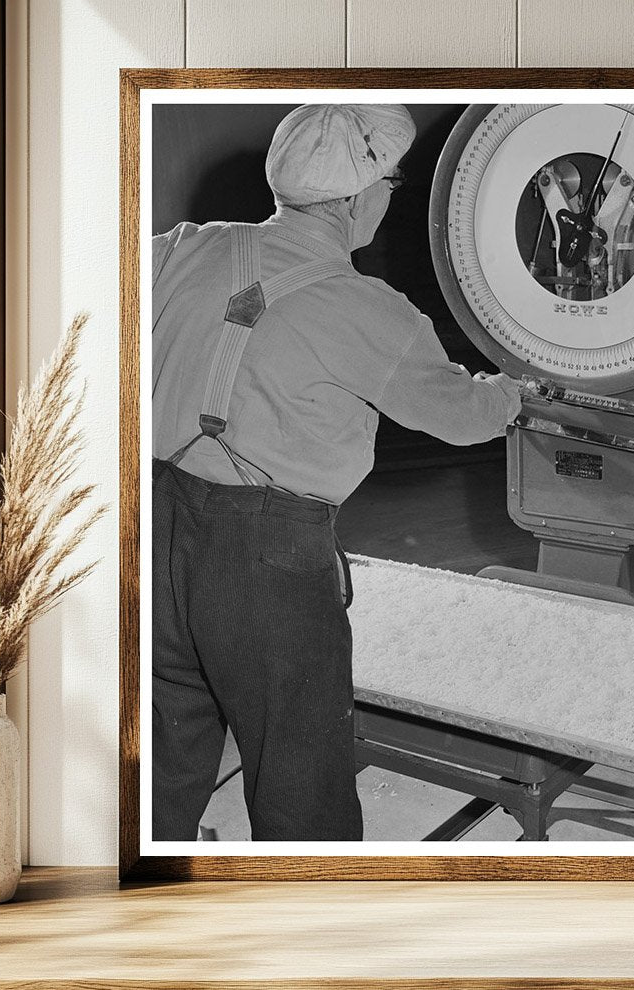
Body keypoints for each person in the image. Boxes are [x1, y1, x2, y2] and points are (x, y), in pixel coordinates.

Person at [149, 104, 520, 842]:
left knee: (160, 754)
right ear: (357, 199)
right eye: (391, 182)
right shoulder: (371, 311)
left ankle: (135, 918)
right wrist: (512, 392)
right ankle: (316, 938)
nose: (388, 196)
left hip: (145, 529)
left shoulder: (178, 247)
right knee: (299, 773)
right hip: (264, 561)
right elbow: (464, 416)